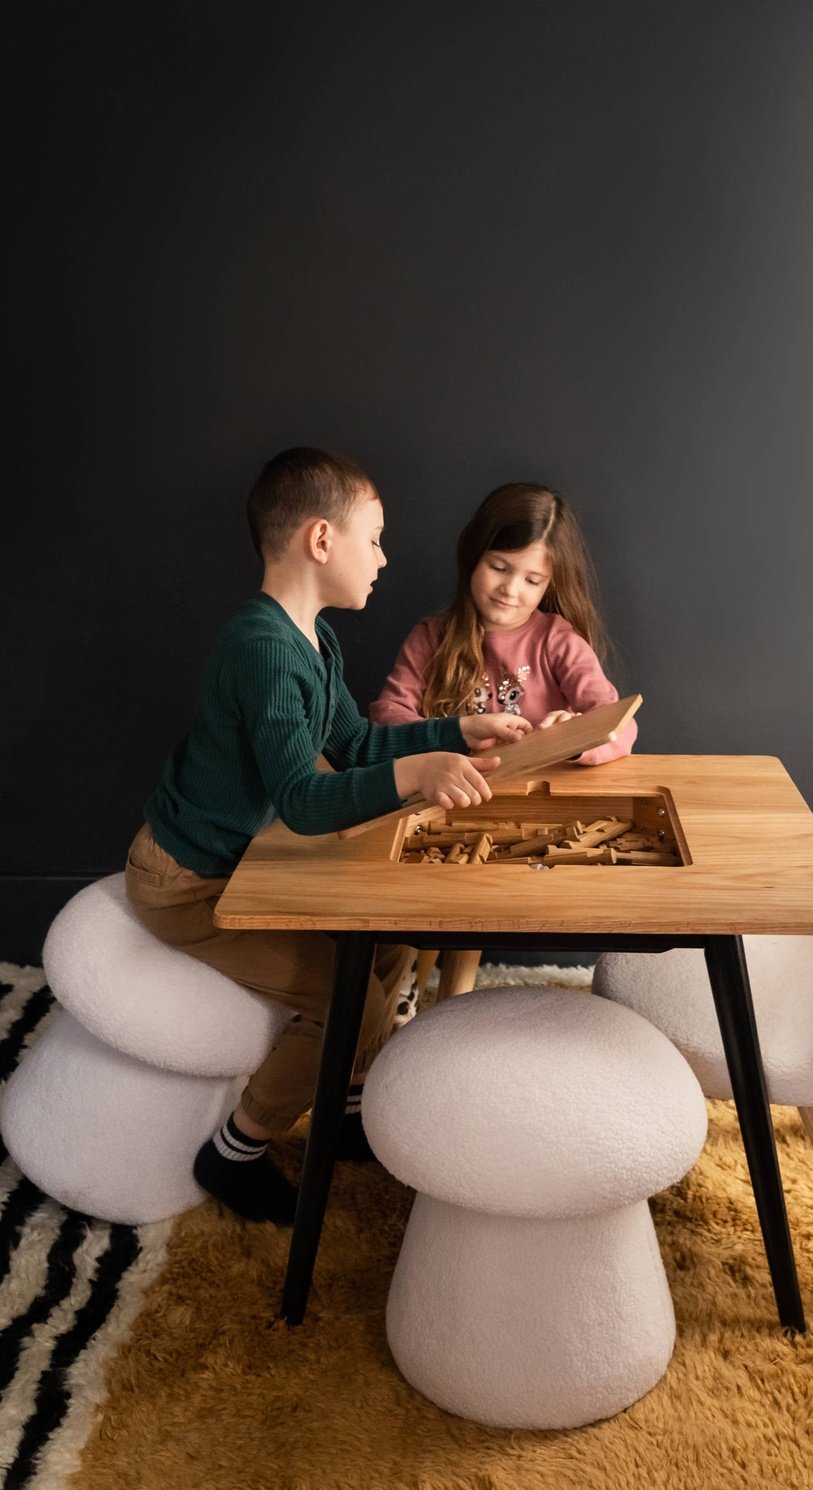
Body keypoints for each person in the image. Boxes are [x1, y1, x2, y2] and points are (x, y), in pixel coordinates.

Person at [124, 447, 530, 1224]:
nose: (383, 558)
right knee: (358, 1007)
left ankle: (341, 1110)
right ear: (320, 541)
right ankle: (234, 1151)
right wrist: (417, 778)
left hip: (243, 866)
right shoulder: (266, 651)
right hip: (189, 882)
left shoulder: (312, 638)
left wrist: (458, 729)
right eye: (373, 539)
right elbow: (306, 801)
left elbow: (352, 746)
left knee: (387, 944)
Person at [369, 481, 636, 759]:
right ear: (474, 555)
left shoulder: (557, 640)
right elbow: (388, 715)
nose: (510, 589)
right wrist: (455, 733)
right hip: (454, 793)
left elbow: (621, 725)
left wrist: (574, 739)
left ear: (549, 585)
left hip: (540, 795)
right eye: (498, 567)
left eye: (532, 580)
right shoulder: (431, 637)